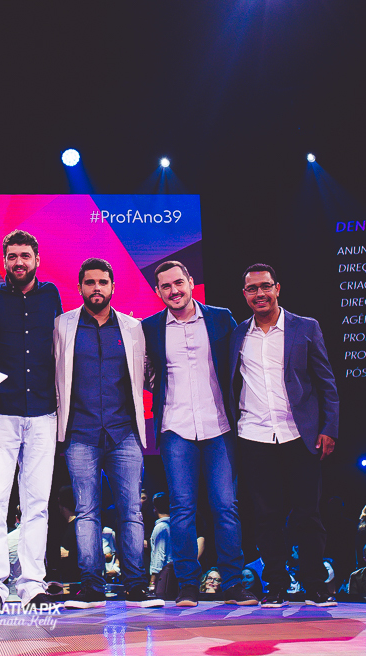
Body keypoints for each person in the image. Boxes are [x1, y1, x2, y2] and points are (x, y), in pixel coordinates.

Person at [142, 260, 257, 607]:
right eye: (166, 286)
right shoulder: (150, 327)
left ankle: (233, 583)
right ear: (158, 291)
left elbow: (240, 363)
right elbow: (145, 371)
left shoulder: (221, 318)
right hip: (175, 427)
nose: (174, 290)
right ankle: (188, 585)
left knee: (225, 506)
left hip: (218, 425)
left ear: (191, 282)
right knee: (182, 509)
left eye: (179, 282)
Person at [226, 264, 340, 608]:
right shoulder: (237, 334)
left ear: (277, 288)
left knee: (308, 513)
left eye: (265, 286)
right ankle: (275, 585)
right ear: (244, 295)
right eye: (252, 289)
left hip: (299, 434)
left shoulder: (305, 327)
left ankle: (314, 584)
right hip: (254, 435)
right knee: (266, 516)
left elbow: (326, 381)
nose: (259, 294)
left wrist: (329, 427)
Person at [55, 258, 161, 609]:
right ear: (80, 287)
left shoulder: (133, 328)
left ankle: (136, 585)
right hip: (80, 432)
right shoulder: (63, 326)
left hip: (124, 433)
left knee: (131, 511)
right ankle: (92, 586)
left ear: (113, 286)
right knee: (86, 511)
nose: (96, 288)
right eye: (90, 282)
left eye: (103, 282)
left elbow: (148, 374)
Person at [0, 229, 63, 611]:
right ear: (5, 261)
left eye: (25, 255)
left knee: (37, 503)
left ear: (37, 259)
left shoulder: (51, 295)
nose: (19, 262)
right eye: (12, 256)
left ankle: (32, 584)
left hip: (43, 411)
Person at [148, 493, 173, 598]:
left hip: (164, 576)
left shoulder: (161, 527)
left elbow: (159, 555)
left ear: (155, 509)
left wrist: (152, 582)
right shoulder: (175, 526)